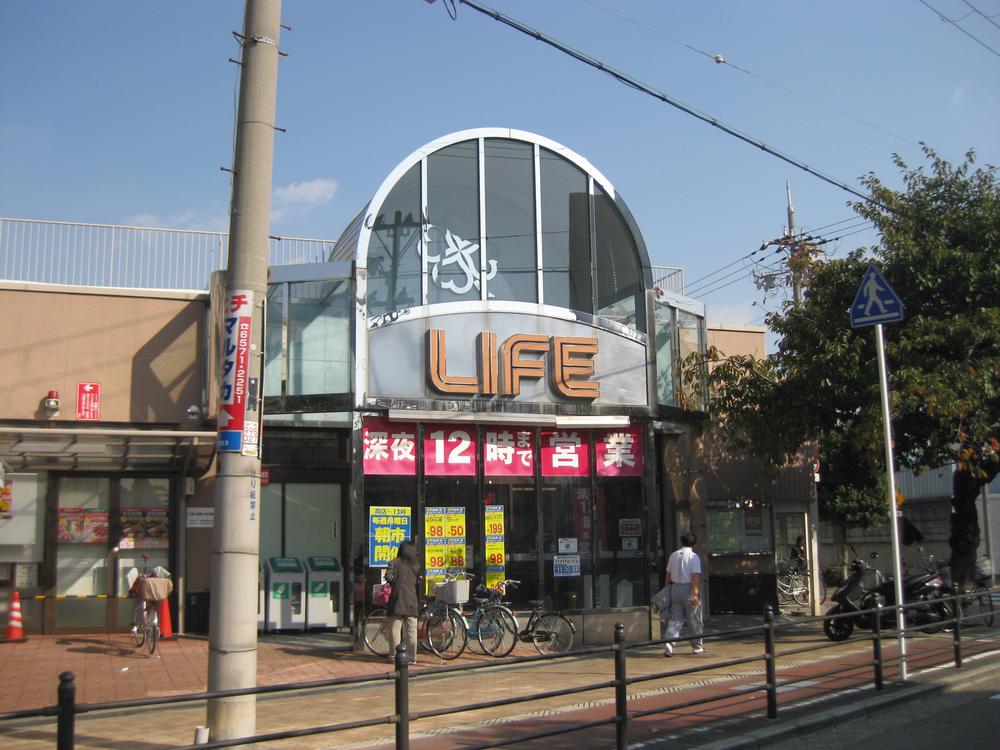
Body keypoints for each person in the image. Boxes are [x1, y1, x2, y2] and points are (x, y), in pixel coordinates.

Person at [662, 531, 704, 656]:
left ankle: (669, 642)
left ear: (681, 542)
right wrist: (695, 593)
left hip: (675, 588)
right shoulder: (693, 557)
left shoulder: (673, 555)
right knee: (694, 619)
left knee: (676, 619)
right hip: (688, 588)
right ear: (694, 543)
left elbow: (668, 574)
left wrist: (667, 588)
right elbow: (695, 576)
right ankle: (697, 646)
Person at [384, 540, 422, 664]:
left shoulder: (394, 562)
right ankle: (412, 657)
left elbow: (388, 576)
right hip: (411, 600)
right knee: (411, 631)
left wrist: (394, 581)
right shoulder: (416, 565)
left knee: (395, 630)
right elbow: (418, 581)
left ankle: (394, 657)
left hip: (397, 599)